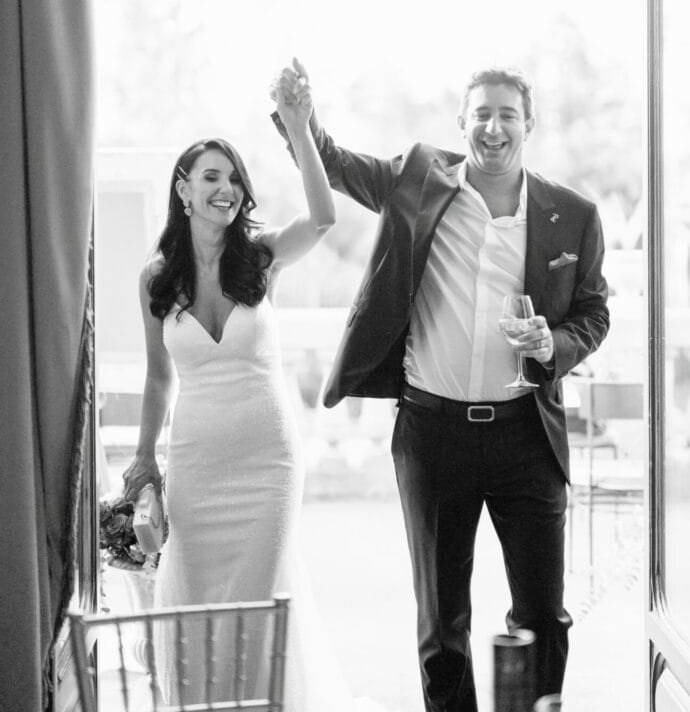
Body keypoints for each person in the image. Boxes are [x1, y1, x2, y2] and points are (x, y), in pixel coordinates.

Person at [272, 61, 609, 712]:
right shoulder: (419, 181)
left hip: (526, 437)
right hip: (432, 436)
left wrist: (554, 344)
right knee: (441, 625)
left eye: (507, 113)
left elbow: (593, 314)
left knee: (542, 614)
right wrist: (299, 116)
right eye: (480, 112)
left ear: (528, 126)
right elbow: (335, 164)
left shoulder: (573, 215)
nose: (493, 125)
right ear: (462, 124)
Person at [122, 62, 360, 709]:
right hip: (199, 465)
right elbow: (156, 375)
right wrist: (146, 460)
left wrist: (298, 126)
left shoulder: (258, 256)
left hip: (267, 462)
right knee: (193, 603)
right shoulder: (155, 279)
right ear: (184, 189)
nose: (226, 189)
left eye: (233, 179)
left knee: (259, 607)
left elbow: (323, 216)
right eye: (211, 177)